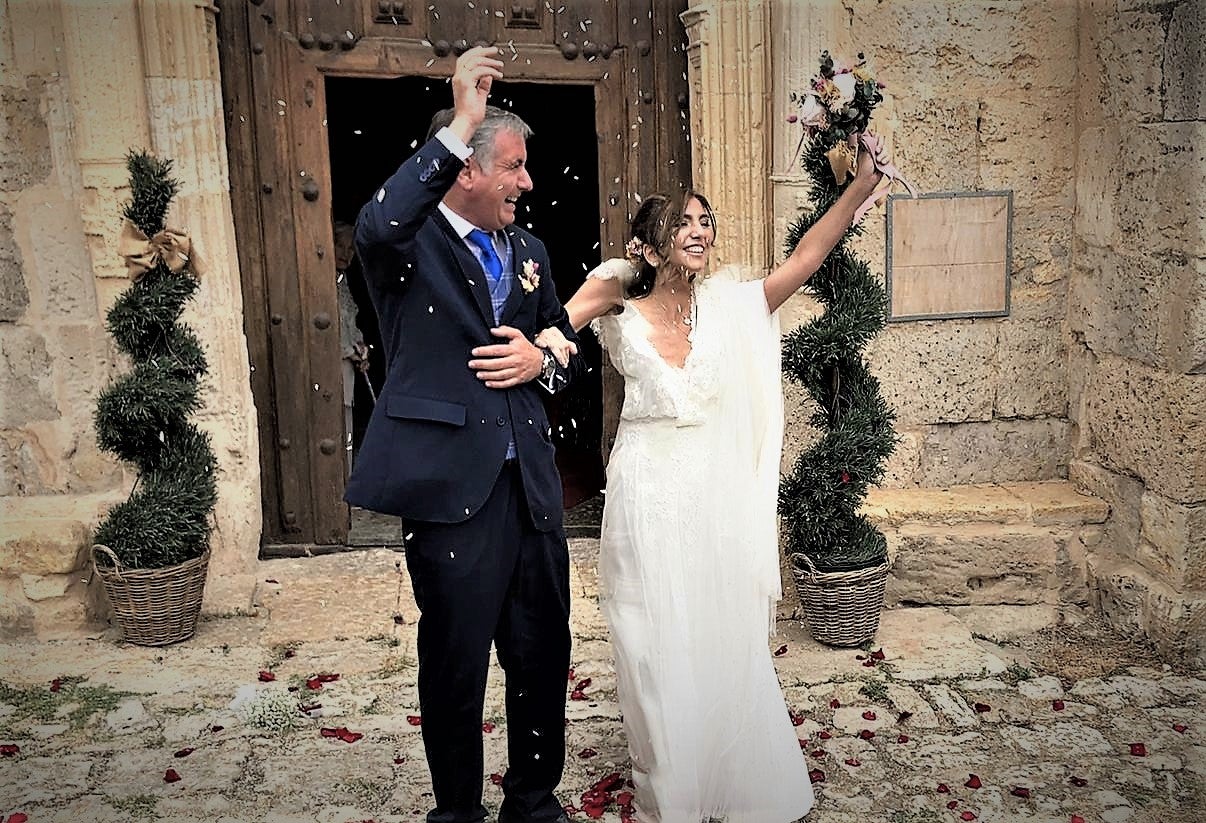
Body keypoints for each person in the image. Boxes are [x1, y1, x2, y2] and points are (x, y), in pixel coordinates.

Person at [535, 137, 885, 822]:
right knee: (652, 638)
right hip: (644, 489)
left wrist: (860, 185)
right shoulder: (618, 289)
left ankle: (732, 768)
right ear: (650, 246)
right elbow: (556, 327)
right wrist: (540, 344)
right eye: (683, 223)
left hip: (712, 494)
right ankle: (674, 782)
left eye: (706, 220)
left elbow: (808, 258)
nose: (700, 231)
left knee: (717, 631)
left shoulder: (729, 305)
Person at [345, 46, 584, 823]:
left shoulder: (533, 253)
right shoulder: (405, 249)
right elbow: (376, 222)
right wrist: (462, 119)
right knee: (455, 664)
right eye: (513, 167)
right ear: (468, 170)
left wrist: (540, 356)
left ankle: (533, 803)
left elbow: (564, 349)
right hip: (454, 495)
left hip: (532, 490)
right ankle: (457, 814)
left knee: (543, 655)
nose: (528, 182)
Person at [333, 220, 370, 471]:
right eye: (340, 245)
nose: (347, 254)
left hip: (346, 369)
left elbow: (349, 321)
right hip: (328, 369)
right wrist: (348, 350)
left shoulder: (342, 281)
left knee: (345, 425)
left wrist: (360, 347)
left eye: (352, 249)